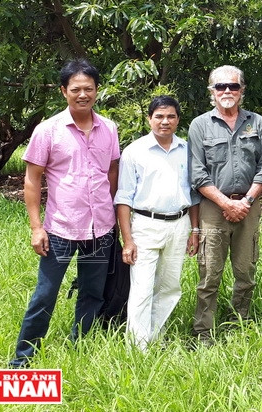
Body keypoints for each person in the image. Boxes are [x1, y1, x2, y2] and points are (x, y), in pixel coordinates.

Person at [9, 59, 120, 368]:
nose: (82, 95)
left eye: (89, 89)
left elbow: (112, 171)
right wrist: (35, 226)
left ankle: (80, 349)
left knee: (92, 294)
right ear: (64, 91)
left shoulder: (109, 128)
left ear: (97, 91)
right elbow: (32, 179)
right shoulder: (48, 130)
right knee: (45, 295)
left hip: (100, 230)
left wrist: (112, 218)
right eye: (75, 89)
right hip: (60, 229)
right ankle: (22, 360)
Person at [188, 65, 262, 342]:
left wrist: (245, 201)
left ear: (241, 90)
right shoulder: (200, 125)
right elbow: (197, 173)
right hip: (213, 208)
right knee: (210, 273)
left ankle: (240, 325)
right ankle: (204, 332)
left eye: (233, 87)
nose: (227, 91)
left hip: (248, 206)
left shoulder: (256, 122)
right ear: (211, 91)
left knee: (246, 271)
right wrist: (226, 203)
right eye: (220, 87)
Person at [115, 96, 200, 349]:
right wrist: (127, 239)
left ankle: (155, 336)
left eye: (171, 116)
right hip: (145, 225)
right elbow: (123, 198)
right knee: (142, 288)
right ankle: (138, 348)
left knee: (170, 287)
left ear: (178, 120)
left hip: (180, 224)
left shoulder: (187, 149)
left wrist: (195, 230)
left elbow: (194, 194)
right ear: (150, 119)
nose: (165, 122)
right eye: (159, 116)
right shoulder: (134, 151)